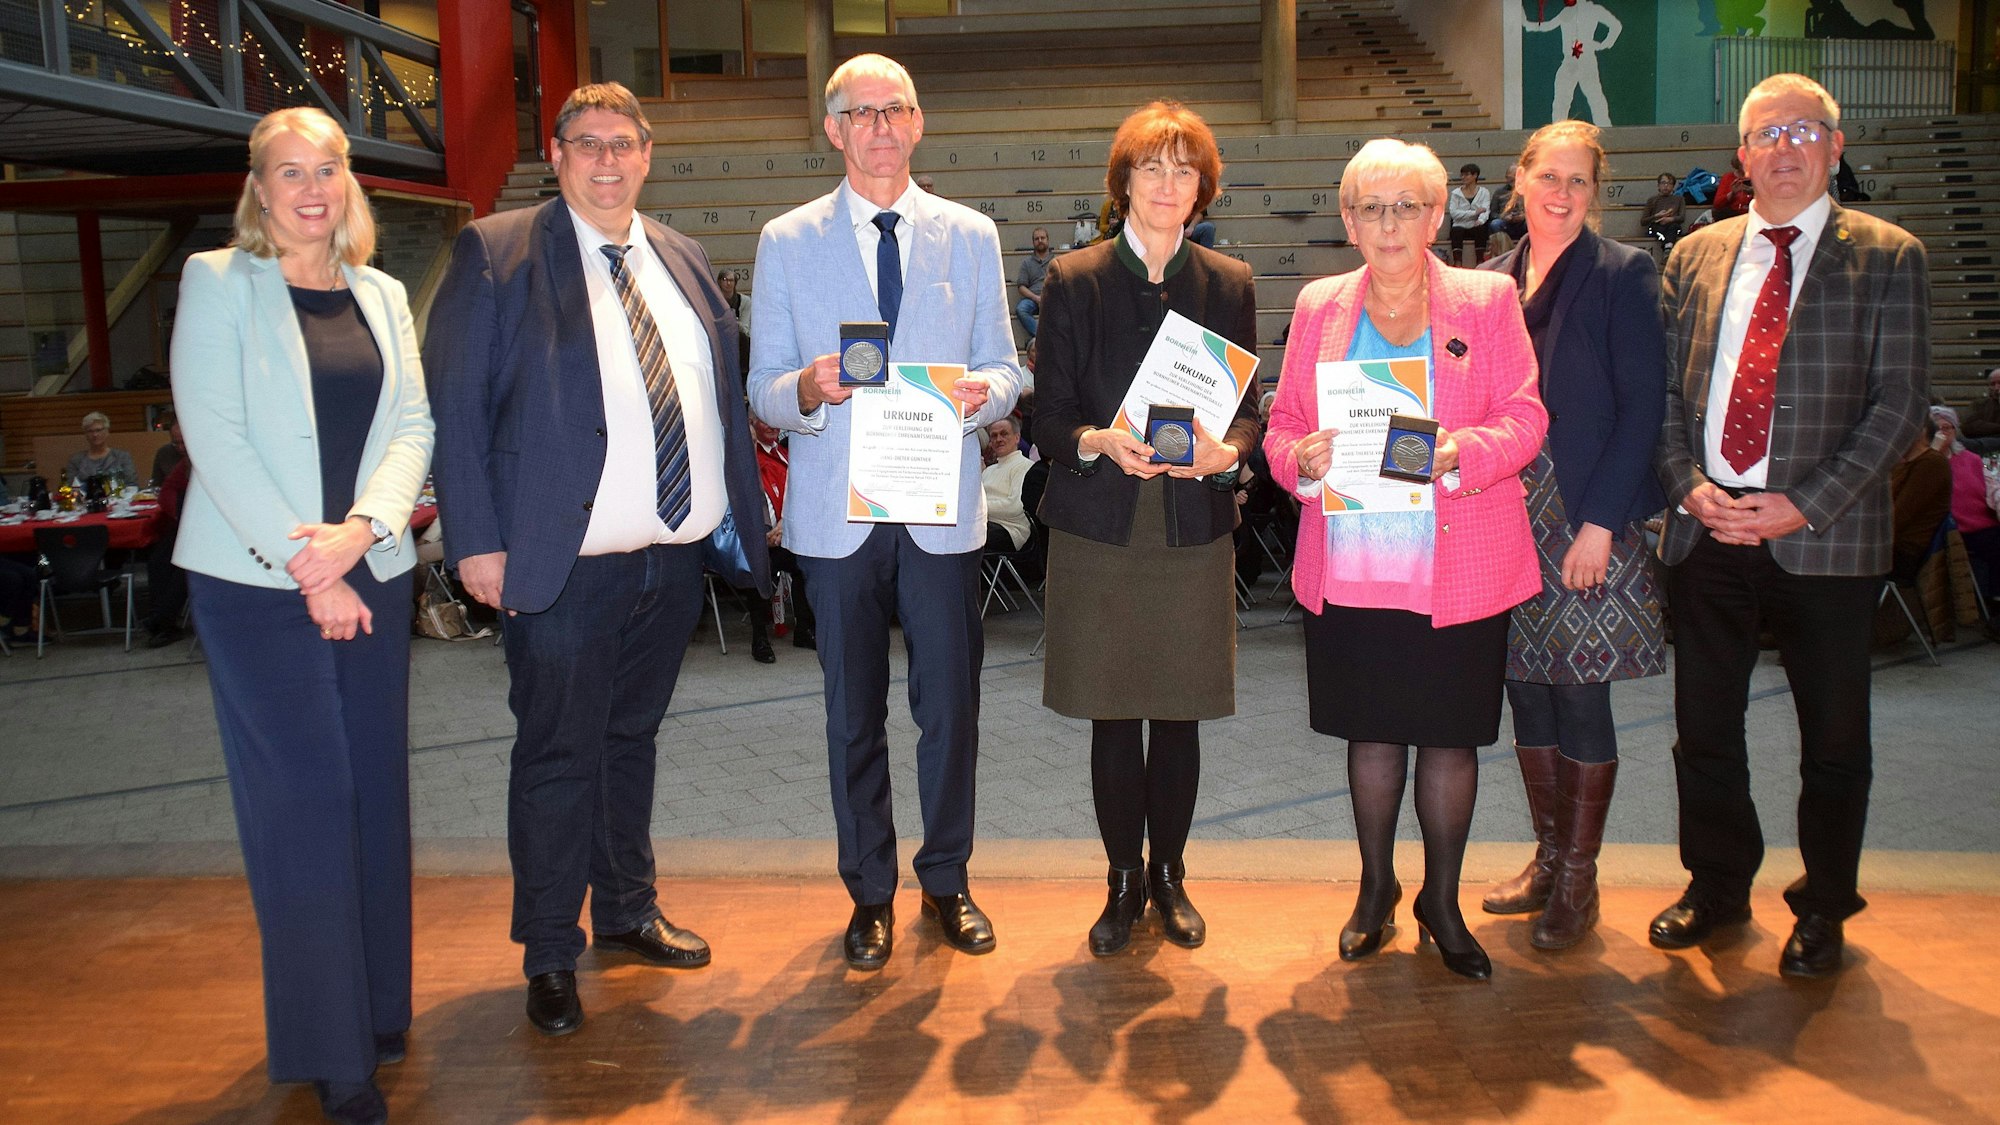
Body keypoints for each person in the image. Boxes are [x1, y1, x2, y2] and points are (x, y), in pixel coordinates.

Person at [425, 82, 772, 1036]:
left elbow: (714, 400)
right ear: (558, 151)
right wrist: (477, 542)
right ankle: (548, 948)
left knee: (630, 742)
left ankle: (624, 909)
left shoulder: (682, 256)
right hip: (564, 562)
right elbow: (454, 407)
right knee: (558, 751)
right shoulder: (496, 252)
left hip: (672, 557)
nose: (607, 159)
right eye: (588, 143)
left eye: (624, 142)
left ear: (648, 152)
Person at [169, 106, 434, 1125]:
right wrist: (307, 562)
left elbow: (413, 421)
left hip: (368, 565)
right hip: (255, 585)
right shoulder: (218, 282)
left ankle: (375, 1007)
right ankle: (334, 1056)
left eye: (326, 167)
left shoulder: (381, 290)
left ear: (348, 181)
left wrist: (360, 533)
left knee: (372, 793)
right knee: (308, 806)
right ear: (259, 188)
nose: (311, 187)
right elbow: (217, 434)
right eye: (289, 171)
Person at [747, 53, 1021, 971]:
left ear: (918, 121)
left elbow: (1008, 367)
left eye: (894, 109)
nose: (879, 127)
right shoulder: (787, 240)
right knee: (851, 713)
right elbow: (762, 390)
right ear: (833, 130)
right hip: (837, 518)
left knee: (950, 709)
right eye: (860, 113)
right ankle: (870, 893)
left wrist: (984, 392)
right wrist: (808, 388)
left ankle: (947, 879)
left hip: (939, 513)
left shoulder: (971, 235)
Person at [1651, 74, 1928, 979]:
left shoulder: (1889, 256)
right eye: (1767, 133)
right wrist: (1690, 485)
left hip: (1826, 535)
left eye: (1803, 130)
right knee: (1704, 727)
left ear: (1834, 146)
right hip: (1710, 529)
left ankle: (1824, 903)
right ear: (1742, 154)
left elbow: (1899, 408)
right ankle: (1718, 883)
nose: (1785, 147)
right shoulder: (1697, 254)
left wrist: (1806, 501)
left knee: (1836, 738)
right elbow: (1666, 398)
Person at [1264, 137, 1545, 981]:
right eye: (1372, 207)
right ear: (1348, 219)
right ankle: (1376, 889)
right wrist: (1300, 463)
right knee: (1374, 736)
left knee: (1452, 743)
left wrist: (1459, 449)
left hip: (1457, 562)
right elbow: (1281, 428)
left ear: (1435, 214)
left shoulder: (1488, 299)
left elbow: (1527, 419)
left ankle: (1443, 902)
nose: (1390, 224)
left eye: (1407, 206)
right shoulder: (1319, 306)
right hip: (1352, 564)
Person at [1034, 101, 1259, 957]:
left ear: (1203, 187)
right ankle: (1122, 880)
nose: (1167, 185)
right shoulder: (1075, 278)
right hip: (1103, 528)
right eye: (1151, 168)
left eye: (1184, 169)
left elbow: (1248, 417)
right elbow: (1050, 414)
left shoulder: (1227, 281)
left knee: (1180, 712)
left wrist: (1223, 456)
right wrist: (1095, 440)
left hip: (1190, 526)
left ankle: (1171, 875)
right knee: (1111, 712)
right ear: (1123, 181)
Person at [1477, 121, 1667, 949]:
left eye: (1579, 181)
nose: (1561, 194)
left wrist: (1602, 524)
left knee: (1582, 695)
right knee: (1526, 686)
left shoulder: (1625, 274)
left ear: (1596, 191)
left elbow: (1643, 407)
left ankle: (1579, 882)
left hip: (1587, 514)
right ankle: (1548, 858)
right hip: (1503, 515)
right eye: (1548, 176)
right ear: (1520, 179)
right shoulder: (1485, 280)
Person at [751, 411, 814, 652]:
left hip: (786, 532)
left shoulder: (786, 454)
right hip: (759, 537)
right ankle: (759, 639)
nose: (771, 425)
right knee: (760, 567)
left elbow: (798, 493)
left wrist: (784, 524)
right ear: (752, 424)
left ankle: (804, 630)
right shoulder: (748, 460)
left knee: (807, 565)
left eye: (775, 420)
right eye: (764, 420)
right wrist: (766, 531)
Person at [1933, 407, 2000, 592]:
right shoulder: (1925, 463)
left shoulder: (1976, 458)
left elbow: (1995, 485)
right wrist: (1933, 453)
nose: (1943, 433)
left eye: (1948, 428)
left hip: (1988, 524)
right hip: (1954, 529)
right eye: (1937, 428)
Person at [982, 415, 1033, 554]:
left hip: (1010, 530)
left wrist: (979, 509)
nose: (999, 439)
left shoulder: (1025, 466)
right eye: (994, 436)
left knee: (964, 533)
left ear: (1017, 437)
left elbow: (1015, 507)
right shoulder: (988, 471)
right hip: (985, 525)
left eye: (1004, 434)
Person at [64, 411, 137, 485]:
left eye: (98, 430)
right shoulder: (76, 460)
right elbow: (70, 487)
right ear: (85, 434)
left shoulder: (122, 457)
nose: (95, 434)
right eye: (90, 431)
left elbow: (131, 484)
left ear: (107, 432)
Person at [1445, 163, 1491, 266]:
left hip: (1476, 224)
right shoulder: (1456, 193)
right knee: (1456, 230)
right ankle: (1457, 262)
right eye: (1462, 175)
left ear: (1475, 176)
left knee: (1481, 228)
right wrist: (1475, 213)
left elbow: (1485, 210)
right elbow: (1454, 213)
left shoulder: (1484, 192)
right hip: (1460, 225)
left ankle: (1480, 261)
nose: (1463, 177)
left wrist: (1481, 220)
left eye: (1466, 174)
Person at [1015, 226, 1053, 338]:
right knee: (1021, 309)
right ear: (1033, 242)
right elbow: (1021, 287)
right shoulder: (1026, 263)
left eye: (1042, 238)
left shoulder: (1056, 261)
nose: (1040, 241)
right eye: (1037, 239)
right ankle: (1043, 338)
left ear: (1048, 240)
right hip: (1032, 298)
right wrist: (1036, 298)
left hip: (1052, 298)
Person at [1642, 171, 1687, 251]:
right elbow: (1643, 221)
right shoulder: (1652, 200)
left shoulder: (1679, 199)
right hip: (1656, 227)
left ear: (1673, 186)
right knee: (1657, 230)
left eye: (1669, 183)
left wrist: (1670, 219)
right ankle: (1668, 247)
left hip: (1672, 226)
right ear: (1658, 185)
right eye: (1663, 183)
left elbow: (1682, 217)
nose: (1666, 186)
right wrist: (1657, 216)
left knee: (1674, 227)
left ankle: (1668, 247)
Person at [718, 268, 751, 372]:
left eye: (731, 280)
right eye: (724, 279)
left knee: (742, 338)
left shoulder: (745, 301)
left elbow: (745, 328)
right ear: (719, 281)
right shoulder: (714, 301)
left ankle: (744, 373)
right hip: (720, 336)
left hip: (739, 338)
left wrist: (730, 322)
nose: (728, 283)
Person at [1961, 367, 2000, 445]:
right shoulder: (1979, 404)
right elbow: (1968, 426)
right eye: (1992, 384)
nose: (1996, 388)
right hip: (1984, 445)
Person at [150, 408, 186, 486]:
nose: (180, 447)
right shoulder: (163, 453)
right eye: (175, 443)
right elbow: (156, 484)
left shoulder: (201, 455)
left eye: (183, 443)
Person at [1711, 154, 1753, 220]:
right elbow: (1717, 204)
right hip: (1732, 217)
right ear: (1738, 164)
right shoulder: (1728, 178)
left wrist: (1754, 193)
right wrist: (1732, 193)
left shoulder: (1757, 177)